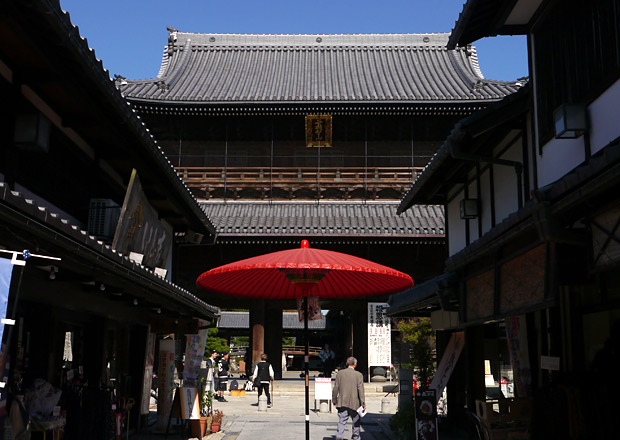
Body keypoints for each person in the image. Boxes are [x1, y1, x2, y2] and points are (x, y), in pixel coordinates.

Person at [332, 356, 365, 440]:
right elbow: (360, 390)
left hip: (342, 401)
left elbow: (336, 388)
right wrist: (363, 403)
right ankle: (355, 437)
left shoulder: (340, 373)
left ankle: (339, 436)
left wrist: (334, 400)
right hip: (355, 402)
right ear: (355, 364)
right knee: (356, 421)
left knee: (342, 421)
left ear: (346, 364)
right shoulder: (359, 375)